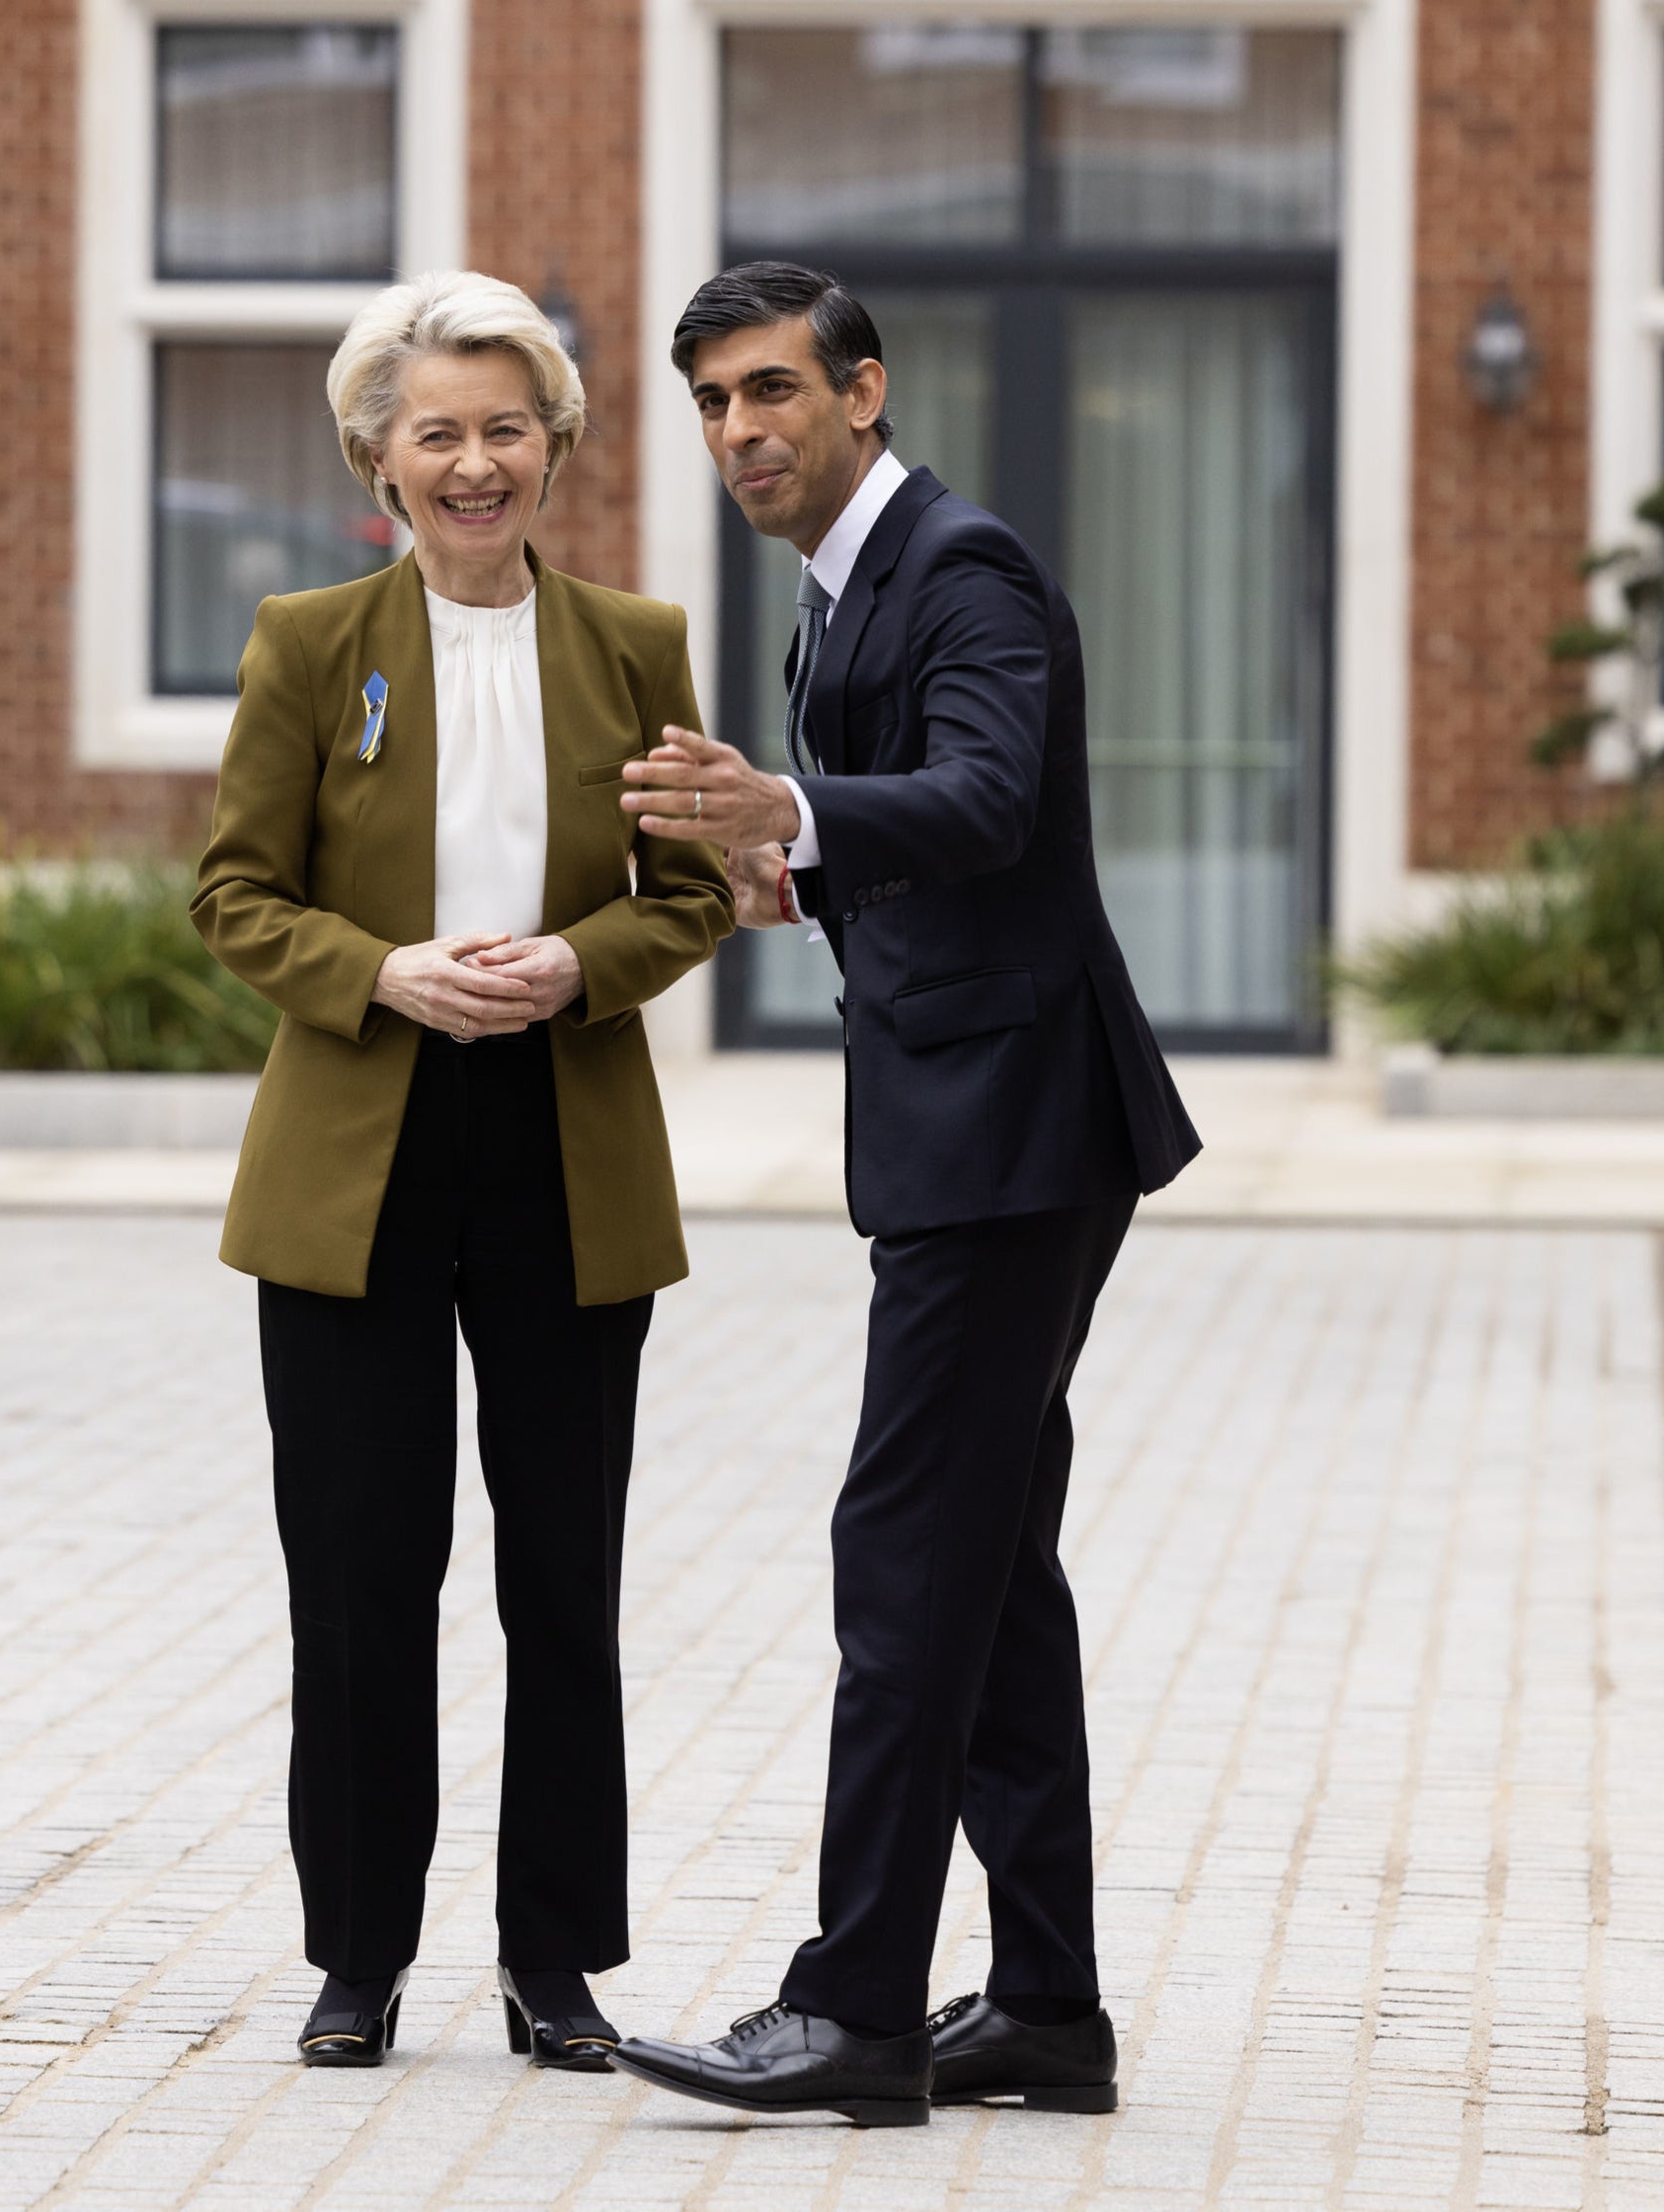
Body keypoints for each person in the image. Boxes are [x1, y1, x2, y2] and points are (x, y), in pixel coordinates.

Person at [604, 263, 1203, 2127]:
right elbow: (927, 835)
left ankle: (856, 2005)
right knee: (992, 1567)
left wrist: (794, 814)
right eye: (711, 402)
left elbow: (993, 794)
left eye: (772, 390)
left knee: (908, 1555)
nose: (740, 432)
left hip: (1018, 1131)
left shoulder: (961, 567)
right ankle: (1045, 2006)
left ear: (863, 393)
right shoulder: (840, 586)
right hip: (975, 1121)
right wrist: (810, 871)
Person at [191, 272, 731, 2074]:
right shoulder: (304, 641)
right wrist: (384, 973)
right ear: (379, 456)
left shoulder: (636, 644)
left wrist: (583, 963)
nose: (477, 461)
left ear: (557, 449)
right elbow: (237, 894)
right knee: (359, 1575)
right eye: (441, 432)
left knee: (561, 1576)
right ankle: (359, 1957)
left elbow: (691, 895)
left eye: (510, 428)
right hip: (358, 1146)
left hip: (564, 1146)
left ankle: (556, 1967)